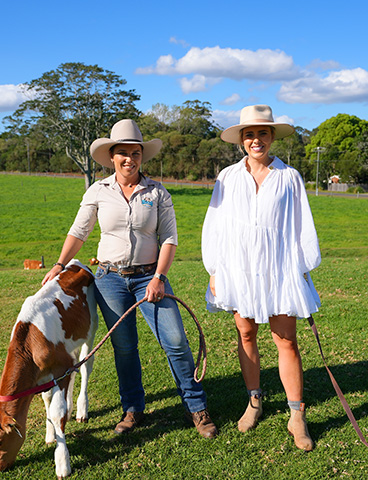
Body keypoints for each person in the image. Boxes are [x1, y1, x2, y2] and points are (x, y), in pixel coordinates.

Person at [42, 119, 218, 439]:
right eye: (122, 153)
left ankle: (196, 407)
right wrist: (59, 264)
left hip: (150, 277)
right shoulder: (98, 190)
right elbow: (79, 231)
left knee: (176, 341)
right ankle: (133, 409)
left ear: (141, 156)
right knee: (124, 347)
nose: (129, 159)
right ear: (111, 157)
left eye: (134, 152)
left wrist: (159, 277)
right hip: (109, 279)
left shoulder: (157, 192)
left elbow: (169, 239)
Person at [201, 105, 320, 451]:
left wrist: (302, 267)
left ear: (272, 137)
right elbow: (215, 225)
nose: (256, 140)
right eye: (250, 134)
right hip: (238, 268)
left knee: (286, 340)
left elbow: (302, 226)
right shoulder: (226, 177)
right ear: (241, 139)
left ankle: (296, 414)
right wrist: (214, 268)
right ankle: (254, 401)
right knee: (246, 332)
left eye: (263, 133)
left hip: (280, 268)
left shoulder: (289, 177)